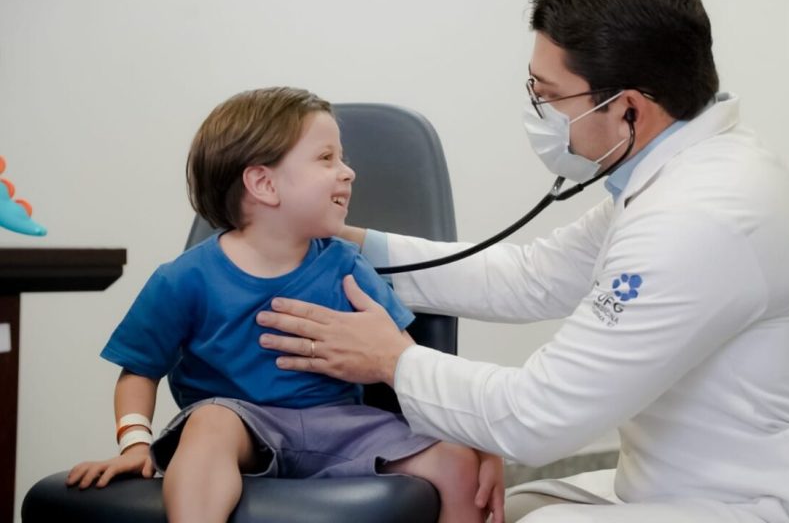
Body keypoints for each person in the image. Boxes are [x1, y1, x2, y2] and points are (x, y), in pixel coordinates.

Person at [255, 0, 789, 523]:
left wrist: (390, 359)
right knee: (513, 506)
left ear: (630, 109)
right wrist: (344, 244)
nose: (540, 113)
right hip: (702, 475)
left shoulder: (700, 217)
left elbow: (537, 417)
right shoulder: (671, 171)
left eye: (550, 96)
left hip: (787, 496)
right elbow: (530, 277)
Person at [65, 87, 504, 523]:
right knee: (209, 425)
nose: (348, 172)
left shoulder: (347, 264)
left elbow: (407, 363)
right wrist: (136, 444)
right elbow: (139, 369)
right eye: (326, 158)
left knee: (459, 462)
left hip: (342, 425)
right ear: (264, 184)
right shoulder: (183, 279)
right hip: (239, 424)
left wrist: (465, 433)